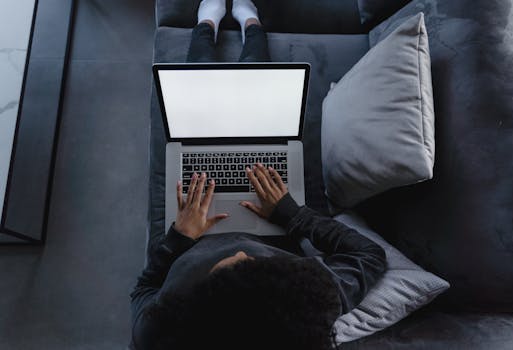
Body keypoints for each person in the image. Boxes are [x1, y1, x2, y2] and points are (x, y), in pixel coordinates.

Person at [130, 1, 387, 349]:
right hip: (276, 220)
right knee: (257, 93)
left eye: (229, 268)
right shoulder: (304, 305)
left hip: (193, 233)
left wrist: (179, 238)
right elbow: (370, 257)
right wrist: (292, 214)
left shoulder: (161, 331)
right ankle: (251, 22)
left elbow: (144, 289)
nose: (239, 253)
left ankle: (206, 22)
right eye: (254, 264)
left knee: (200, 92)